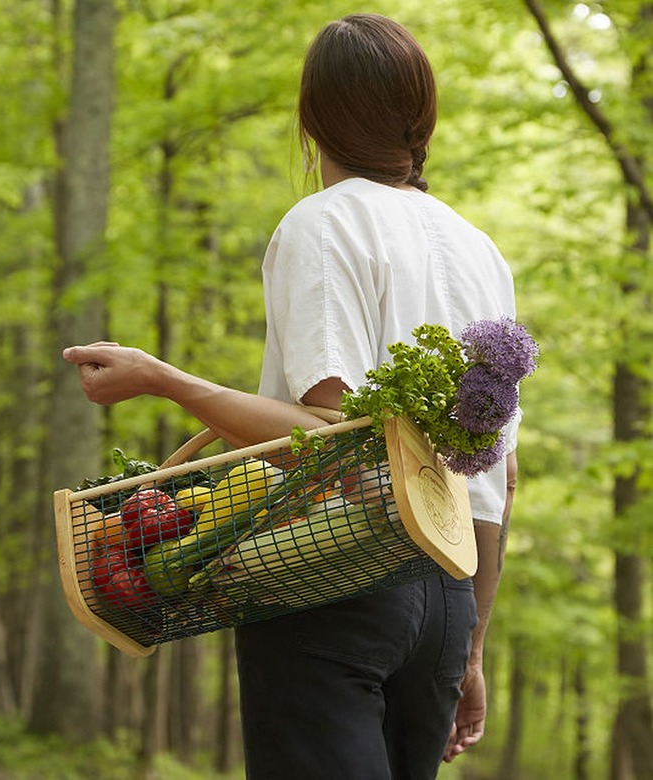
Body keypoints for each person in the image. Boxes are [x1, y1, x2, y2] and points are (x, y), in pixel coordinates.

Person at [63, 13, 519, 779]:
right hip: (447, 594)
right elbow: (498, 475)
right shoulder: (480, 251)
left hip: (336, 575)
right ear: (422, 118)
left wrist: (165, 380)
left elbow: (332, 437)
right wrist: (470, 646)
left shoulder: (322, 224)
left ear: (311, 121)